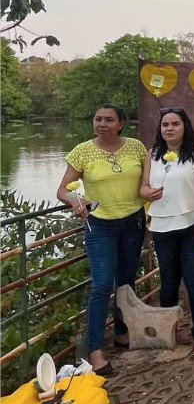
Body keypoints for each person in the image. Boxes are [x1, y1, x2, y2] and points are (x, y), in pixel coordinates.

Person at [55, 104, 147, 376]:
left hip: (133, 220)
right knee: (102, 284)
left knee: (127, 279)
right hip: (100, 225)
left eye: (109, 120)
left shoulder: (136, 148)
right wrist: (76, 200)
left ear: (122, 123)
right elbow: (62, 190)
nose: (102, 124)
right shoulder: (82, 151)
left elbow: (146, 181)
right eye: (98, 119)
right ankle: (95, 351)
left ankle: (121, 332)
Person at [141, 106, 194, 355]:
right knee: (168, 283)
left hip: (193, 225)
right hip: (163, 227)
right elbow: (142, 187)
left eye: (175, 124)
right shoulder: (151, 155)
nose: (170, 129)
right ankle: (170, 331)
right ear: (160, 129)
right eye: (165, 125)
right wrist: (147, 193)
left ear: (185, 126)